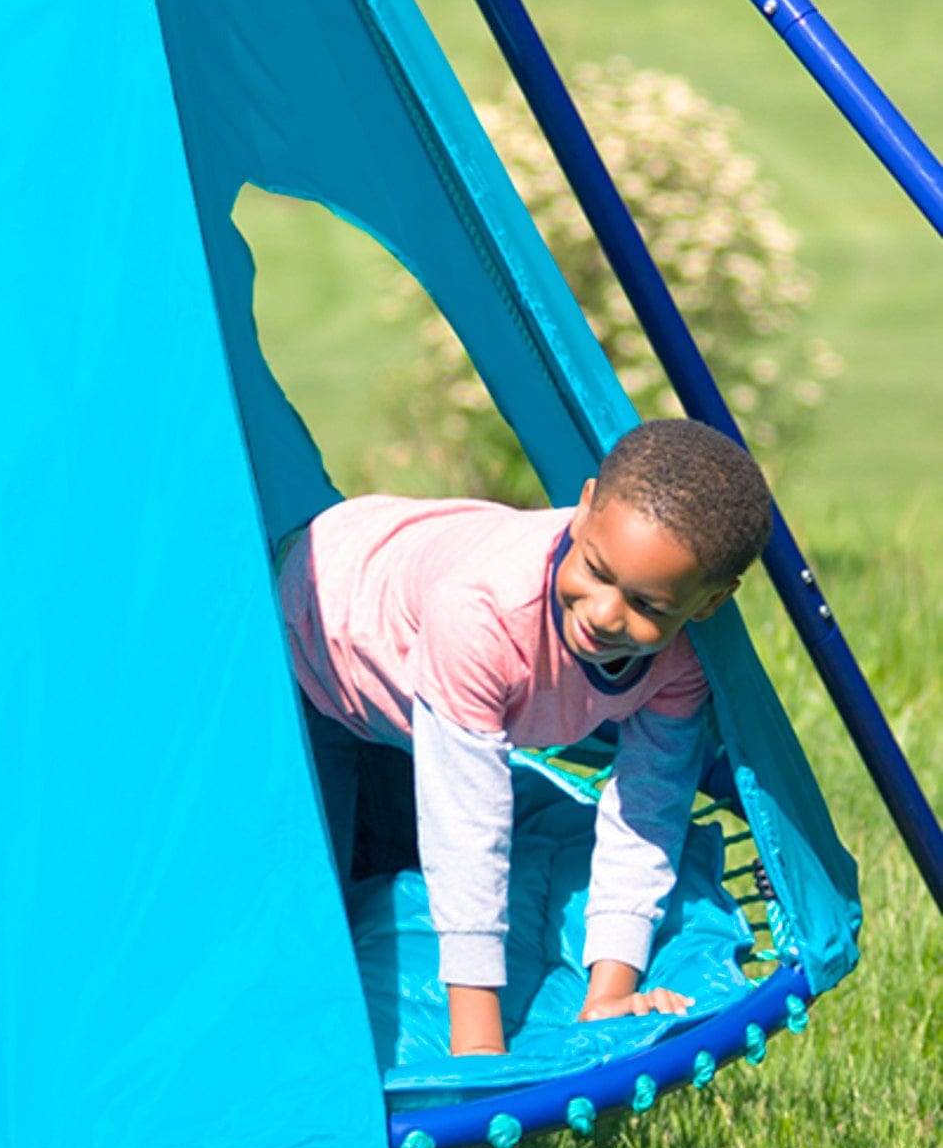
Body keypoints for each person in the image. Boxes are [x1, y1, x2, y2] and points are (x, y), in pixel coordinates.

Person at [280, 419, 773, 1058]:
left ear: (708, 603)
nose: (603, 614)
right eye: (595, 571)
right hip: (314, 631)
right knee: (310, 915)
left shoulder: (679, 666)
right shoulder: (483, 617)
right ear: (586, 504)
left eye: (647, 606)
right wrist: (479, 1045)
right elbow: (467, 831)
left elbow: (648, 812)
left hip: (411, 687)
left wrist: (610, 990)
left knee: (392, 853)